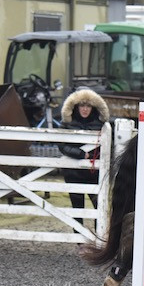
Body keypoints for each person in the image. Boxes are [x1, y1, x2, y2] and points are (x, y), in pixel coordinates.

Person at [58, 88, 109, 223]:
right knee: (77, 207)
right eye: (82, 105)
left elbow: (108, 145)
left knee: (99, 207)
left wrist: (94, 155)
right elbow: (62, 145)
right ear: (76, 106)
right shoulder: (67, 124)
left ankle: (99, 238)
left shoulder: (103, 126)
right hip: (73, 172)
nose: (85, 109)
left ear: (94, 107)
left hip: (95, 173)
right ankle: (79, 240)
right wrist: (81, 154)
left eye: (88, 106)